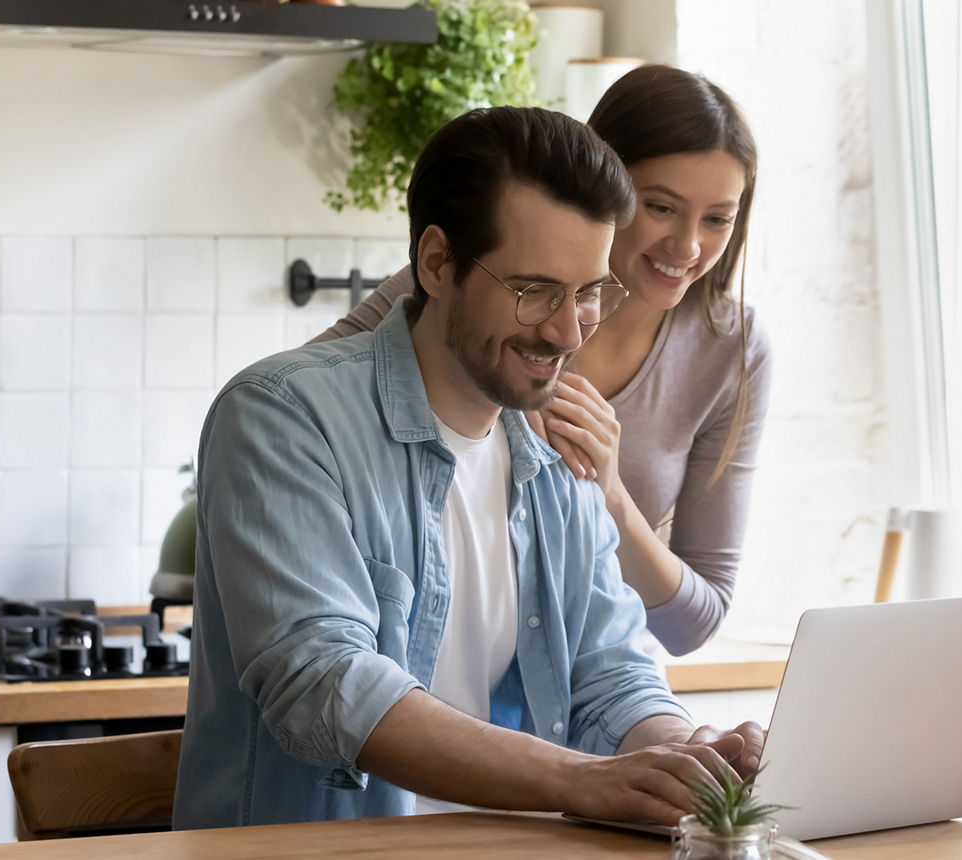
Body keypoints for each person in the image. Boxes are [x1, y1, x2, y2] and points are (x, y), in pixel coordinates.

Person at [173, 105, 764, 830]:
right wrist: (582, 781)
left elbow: (612, 673)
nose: (568, 330)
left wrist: (682, 757)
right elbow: (326, 684)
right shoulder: (281, 416)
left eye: (588, 293)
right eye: (534, 292)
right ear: (436, 263)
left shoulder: (559, 453)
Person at [314, 65, 771, 657]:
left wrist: (610, 495)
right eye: (660, 207)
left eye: (717, 219)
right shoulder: (466, 288)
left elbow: (692, 624)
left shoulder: (732, 348)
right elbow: (292, 407)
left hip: (579, 699)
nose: (687, 248)